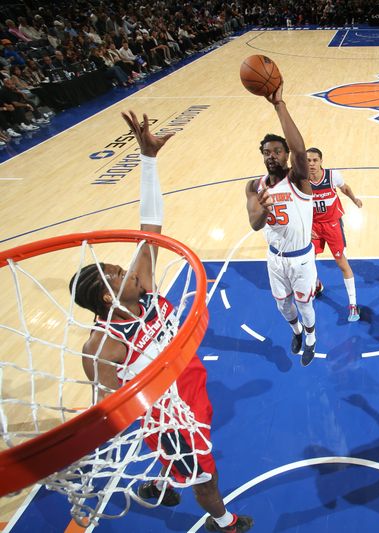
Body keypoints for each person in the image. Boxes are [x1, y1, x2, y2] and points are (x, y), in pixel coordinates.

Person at [69, 111, 253, 533]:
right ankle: (223, 522)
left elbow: (150, 225)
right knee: (206, 475)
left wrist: (148, 159)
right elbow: (110, 410)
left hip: (193, 385)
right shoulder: (103, 347)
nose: (129, 270)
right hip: (171, 416)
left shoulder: (144, 288)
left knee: (187, 464)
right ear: (105, 298)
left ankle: (161, 479)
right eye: (119, 273)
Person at [244, 82, 318, 366]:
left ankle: (311, 338)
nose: (271, 155)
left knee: (304, 303)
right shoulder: (254, 186)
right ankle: (297, 331)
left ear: (286, 156)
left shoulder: (299, 179)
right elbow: (254, 224)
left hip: (301, 258)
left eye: (277, 151)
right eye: (266, 151)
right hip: (275, 259)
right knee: (283, 305)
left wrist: (279, 105)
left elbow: (300, 150)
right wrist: (262, 210)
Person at [306, 147, 362, 322]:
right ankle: (316, 285)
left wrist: (354, 199)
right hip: (313, 226)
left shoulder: (332, 176)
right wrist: (305, 228)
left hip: (332, 224)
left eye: (315, 160)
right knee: (308, 262)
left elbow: (344, 188)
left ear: (321, 161)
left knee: (342, 263)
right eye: (308, 160)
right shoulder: (301, 181)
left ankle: (353, 304)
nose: (312, 164)